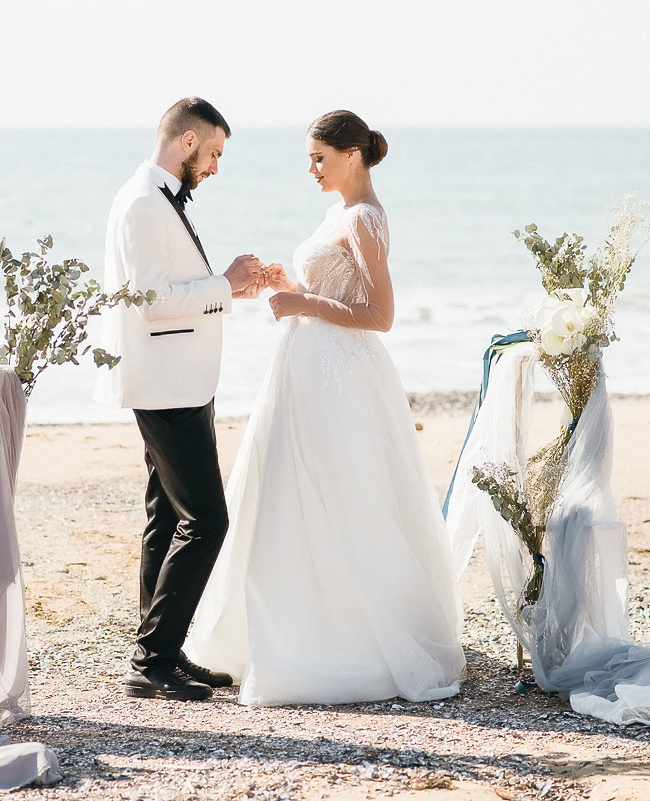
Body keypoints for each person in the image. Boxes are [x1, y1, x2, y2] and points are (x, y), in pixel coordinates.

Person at [184, 111, 466, 706]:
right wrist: (282, 286)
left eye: (320, 158)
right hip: (308, 366)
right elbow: (335, 290)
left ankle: (343, 637)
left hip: (340, 375)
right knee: (288, 489)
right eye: (309, 158)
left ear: (353, 155)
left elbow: (380, 315)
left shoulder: (364, 218)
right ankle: (277, 626)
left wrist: (303, 302)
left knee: (342, 493)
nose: (311, 169)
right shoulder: (338, 212)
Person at [94, 97, 265, 701]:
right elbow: (148, 298)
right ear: (187, 142)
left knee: (167, 518)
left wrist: (227, 288)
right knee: (206, 520)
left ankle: (158, 649)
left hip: (181, 381)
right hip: (165, 386)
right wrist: (224, 282)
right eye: (214, 152)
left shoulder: (153, 196)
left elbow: (172, 290)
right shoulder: (143, 202)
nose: (216, 166)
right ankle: (153, 658)